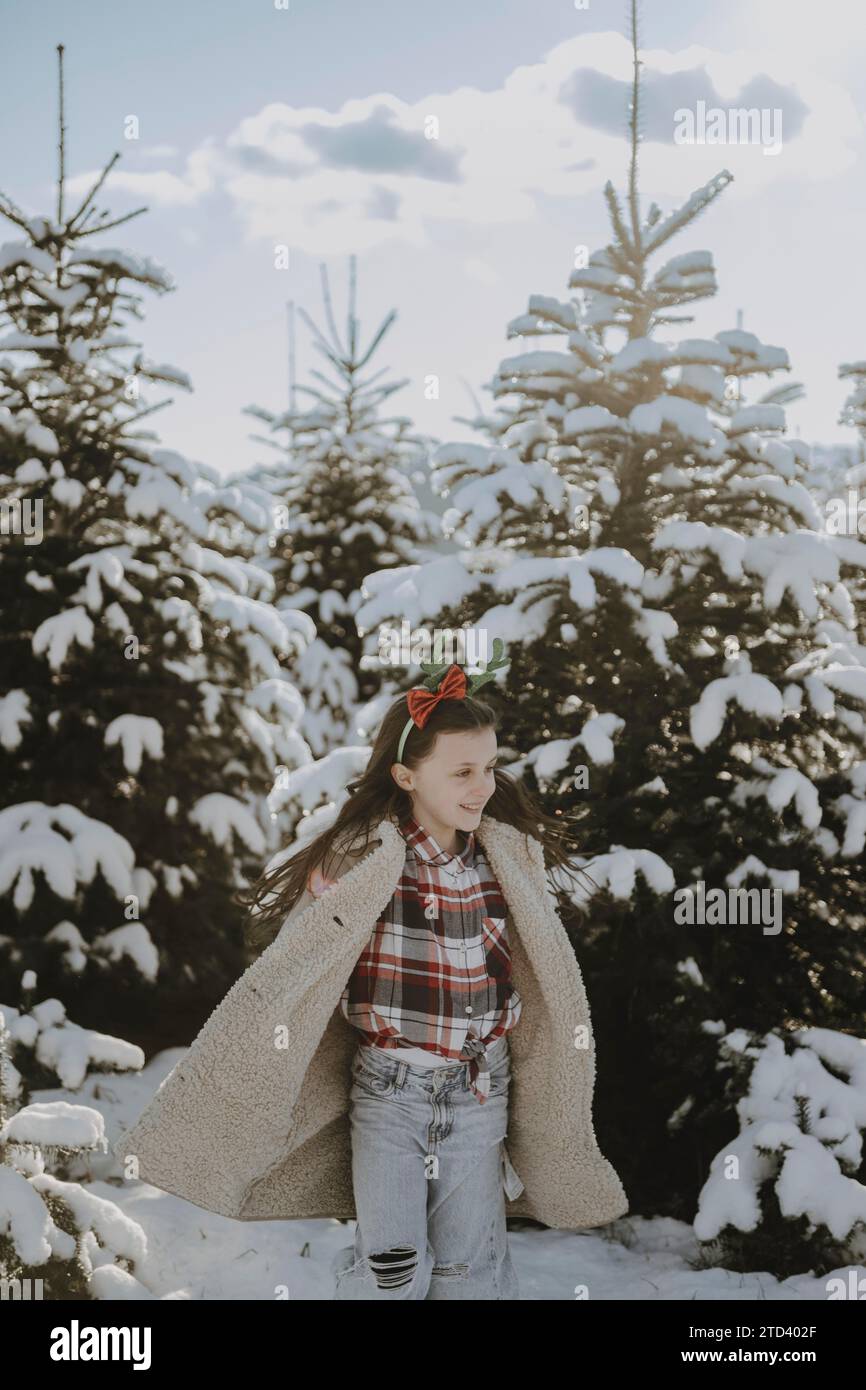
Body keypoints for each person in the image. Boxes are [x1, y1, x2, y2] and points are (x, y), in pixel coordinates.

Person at [239, 651, 615, 1299]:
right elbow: (305, 954)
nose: (483, 786)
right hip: (389, 1095)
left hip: (478, 1093)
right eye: (463, 772)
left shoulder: (501, 859)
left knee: (465, 1271)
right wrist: (332, 873)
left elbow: (538, 966)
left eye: (490, 768)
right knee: (393, 1270)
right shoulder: (365, 859)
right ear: (406, 777)